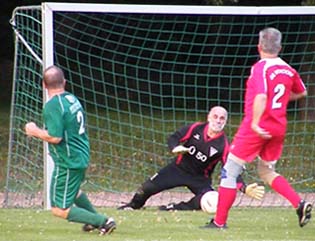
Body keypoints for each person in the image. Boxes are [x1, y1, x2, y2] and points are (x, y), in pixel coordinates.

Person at [203, 27, 312, 229]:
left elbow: (261, 96)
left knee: (230, 171)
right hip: (278, 126)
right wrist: (279, 103)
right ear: (280, 47)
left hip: (258, 127)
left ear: (259, 46)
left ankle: (219, 222)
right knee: (267, 171)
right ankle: (299, 203)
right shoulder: (288, 69)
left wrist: (255, 122)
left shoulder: (261, 68)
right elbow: (302, 92)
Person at [24, 65, 116, 235]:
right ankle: (95, 220)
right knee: (73, 192)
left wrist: (34, 131)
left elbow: (55, 137)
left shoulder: (52, 105)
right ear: (64, 82)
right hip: (80, 154)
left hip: (68, 161)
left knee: (59, 208)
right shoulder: (71, 99)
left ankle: (104, 221)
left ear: (43, 84)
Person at [118, 106, 264, 211]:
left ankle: (175, 207)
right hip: (177, 169)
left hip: (199, 179)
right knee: (146, 188)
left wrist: (244, 188)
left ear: (225, 121)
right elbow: (174, 137)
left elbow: (230, 169)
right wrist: (174, 148)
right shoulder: (196, 128)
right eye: (215, 116)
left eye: (222, 118)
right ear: (208, 117)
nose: (218, 121)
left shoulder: (223, 145)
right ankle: (133, 206)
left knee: (212, 201)